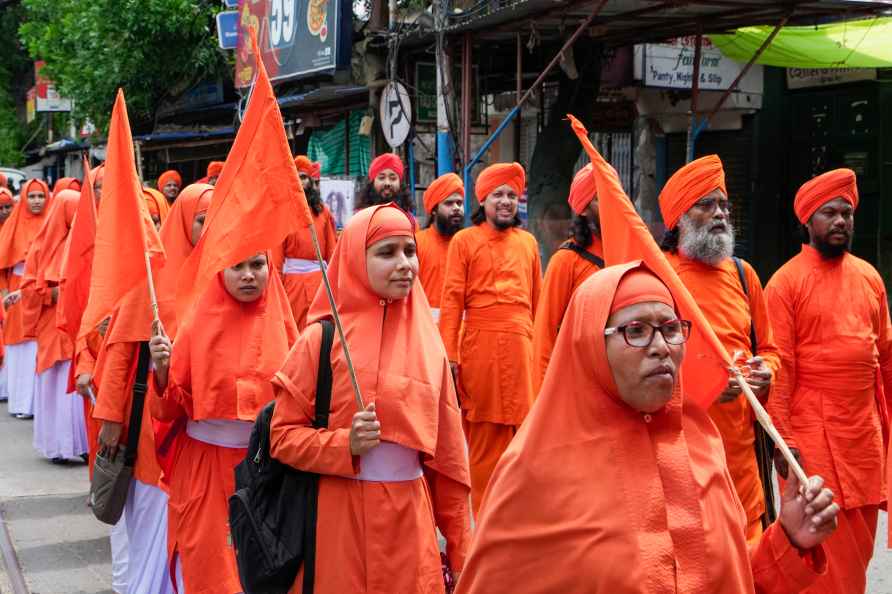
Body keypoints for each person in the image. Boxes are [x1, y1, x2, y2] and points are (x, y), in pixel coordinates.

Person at [455, 262, 839, 594]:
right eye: (636, 330)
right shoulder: (533, 471)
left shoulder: (703, 444)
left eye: (671, 329)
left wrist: (788, 540)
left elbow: (727, 578)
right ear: (590, 346)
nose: (661, 346)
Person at [270, 204, 471, 593]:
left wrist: (463, 556)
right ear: (354, 260)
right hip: (337, 524)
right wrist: (343, 443)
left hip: (409, 531)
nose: (404, 264)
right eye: (386, 253)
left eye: (409, 251)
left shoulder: (431, 348)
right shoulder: (321, 340)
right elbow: (281, 437)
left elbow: (449, 465)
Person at [765, 168, 891, 594]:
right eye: (829, 213)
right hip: (811, 437)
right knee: (822, 555)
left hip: (864, 436)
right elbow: (780, 369)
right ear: (808, 221)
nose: (840, 221)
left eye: (847, 213)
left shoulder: (871, 278)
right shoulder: (785, 282)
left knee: (859, 553)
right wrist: (783, 441)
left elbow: (886, 361)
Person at [149, 252, 297, 594]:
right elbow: (166, 410)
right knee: (209, 566)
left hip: (265, 469)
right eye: (238, 266)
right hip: (204, 468)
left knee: (266, 566)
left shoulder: (285, 325)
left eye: (257, 265)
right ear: (221, 271)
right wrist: (161, 371)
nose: (248, 275)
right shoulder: (195, 323)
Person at [93, 184, 212, 594]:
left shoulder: (226, 274)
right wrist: (110, 422)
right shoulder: (149, 281)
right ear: (183, 220)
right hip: (150, 429)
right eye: (200, 218)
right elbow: (117, 358)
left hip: (201, 431)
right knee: (150, 530)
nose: (209, 226)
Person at [658, 155, 780, 540]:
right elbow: (637, 369)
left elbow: (772, 350)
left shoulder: (745, 276)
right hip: (679, 458)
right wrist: (703, 386)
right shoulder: (657, 277)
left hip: (741, 461)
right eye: (706, 205)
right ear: (679, 216)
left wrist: (767, 372)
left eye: (724, 205)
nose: (719, 214)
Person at [439, 162, 541, 515]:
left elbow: (538, 305)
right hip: (481, 351)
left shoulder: (528, 243)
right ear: (482, 201)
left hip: (522, 349)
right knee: (484, 441)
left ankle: (518, 519)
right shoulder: (466, 241)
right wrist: (450, 357)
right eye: (498, 194)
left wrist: (541, 357)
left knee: (525, 438)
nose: (506, 201)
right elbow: (452, 299)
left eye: (512, 195)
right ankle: (485, 521)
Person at [24, 189, 88, 462]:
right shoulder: (40, 247)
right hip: (53, 328)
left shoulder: (86, 243)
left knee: (78, 387)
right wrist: (52, 294)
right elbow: (28, 287)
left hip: (77, 327)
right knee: (56, 385)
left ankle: (83, 446)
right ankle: (58, 447)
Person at [531, 163, 603, 392]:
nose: (614, 203)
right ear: (584, 209)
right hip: (579, 384)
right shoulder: (565, 261)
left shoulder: (631, 253)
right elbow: (544, 337)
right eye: (602, 198)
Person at [0, 179, 53, 418]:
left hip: (41, 290)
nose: (36, 201)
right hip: (16, 291)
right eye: (31, 196)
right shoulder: (13, 225)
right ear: (23, 198)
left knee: (36, 345)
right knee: (18, 345)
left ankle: (36, 404)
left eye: (40, 196)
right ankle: (21, 403)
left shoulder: (53, 223)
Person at [277, 155, 337, 331]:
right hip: (292, 285)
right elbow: (276, 257)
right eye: (295, 176)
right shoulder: (282, 212)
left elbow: (332, 252)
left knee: (322, 330)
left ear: (311, 181)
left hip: (320, 282)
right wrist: (278, 290)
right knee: (295, 332)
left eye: (303, 177)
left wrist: (334, 283)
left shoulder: (323, 212)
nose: (299, 181)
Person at [415, 173, 464, 323]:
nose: (456, 208)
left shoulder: (470, 244)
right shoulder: (417, 243)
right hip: (426, 330)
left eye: (459, 203)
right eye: (449, 204)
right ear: (434, 210)